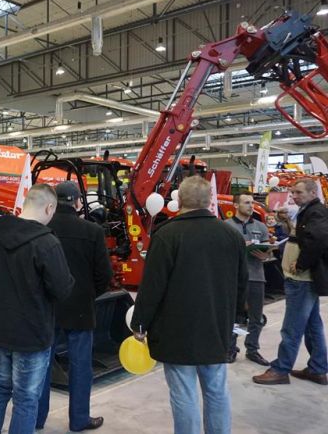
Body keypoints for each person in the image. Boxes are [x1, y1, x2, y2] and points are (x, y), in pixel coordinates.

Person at [131, 176, 247, 434]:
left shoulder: (166, 236)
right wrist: (238, 320)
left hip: (176, 330)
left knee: (183, 393)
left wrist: (139, 323)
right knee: (217, 390)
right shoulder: (231, 235)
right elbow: (242, 284)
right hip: (217, 327)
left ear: (179, 200)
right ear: (209, 201)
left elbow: (152, 287)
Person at [0, 184, 75, 434]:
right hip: (31, 333)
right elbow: (62, 290)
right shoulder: (47, 243)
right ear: (49, 207)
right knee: (26, 399)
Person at [36, 182, 111, 432]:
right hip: (80, 307)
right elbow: (104, 275)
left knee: (42, 365)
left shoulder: (42, 229)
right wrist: (89, 294)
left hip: (47, 307)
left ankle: (36, 417)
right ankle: (79, 419)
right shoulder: (93, 231)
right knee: (81, 366)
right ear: (79, 202)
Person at [253, 178, 328, 385]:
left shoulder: (316, 212)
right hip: (302, 279)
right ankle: (318, 369)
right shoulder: (309, 211)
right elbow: (301, 238)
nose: (293, 196)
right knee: (312, 326)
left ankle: (280, 369)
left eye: (298, 192)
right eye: (292, 192)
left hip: (301, 280)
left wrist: (301, 264)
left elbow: (319, 239)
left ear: (313, 193)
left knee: (292, 327)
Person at [226, 192, 272, 366]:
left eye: (252, 203)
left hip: (256, 276)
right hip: (234, 278)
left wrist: (265, 256)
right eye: (246, 203)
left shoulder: (261, 227)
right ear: (236, 205)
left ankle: (252, 349)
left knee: (256, 316)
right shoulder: (226, 226)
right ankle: (231, 349)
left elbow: (268, 252)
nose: (251, 206)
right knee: (233, 316)